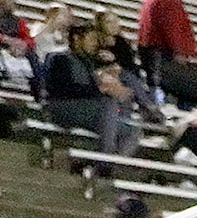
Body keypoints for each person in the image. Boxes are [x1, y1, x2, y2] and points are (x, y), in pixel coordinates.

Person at [38, 31, 129, 160]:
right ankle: (105, 160)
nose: (94, 43)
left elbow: (94, 89)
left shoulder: (88, 62)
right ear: (76, 38)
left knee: (131, 130)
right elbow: (63, 90)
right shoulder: (60, 58)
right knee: (109, 105)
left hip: (88, 110)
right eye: (91, 39)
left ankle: (110, 163)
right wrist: (100, 89)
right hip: (62, 107)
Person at [135, 0, 197, 107]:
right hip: (164, 49)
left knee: (155, 82)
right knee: (180, 85)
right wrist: (179, 50)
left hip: (148, 46)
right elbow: (172, 27)